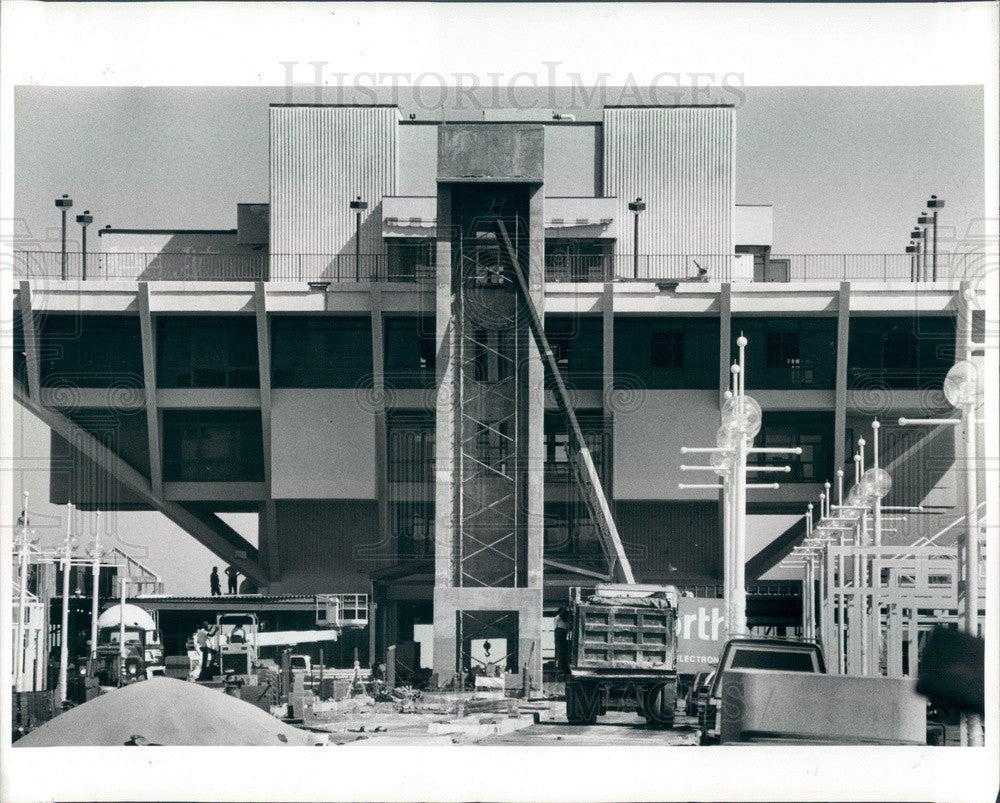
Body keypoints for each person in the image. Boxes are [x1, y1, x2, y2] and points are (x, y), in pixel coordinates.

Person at [554, 607, 571, 675]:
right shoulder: (557, 619)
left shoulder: (565, 622)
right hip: (559, 638)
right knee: (560, 654)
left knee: (565, 654)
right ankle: (561, 670)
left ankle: (565, 670)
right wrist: (566, 608)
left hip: (563, 638)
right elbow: (562, 614)